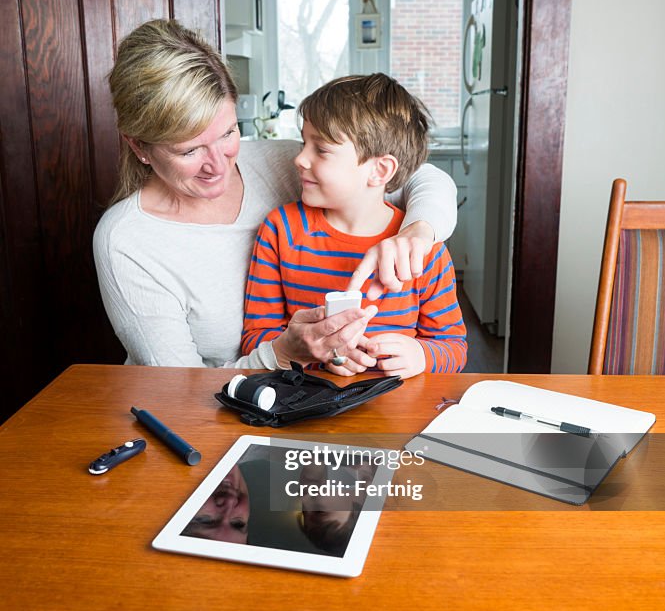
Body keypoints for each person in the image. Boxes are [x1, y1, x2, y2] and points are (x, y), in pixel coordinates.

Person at [93, 19, 458, 370]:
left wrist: (419, 233)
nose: (218, 164)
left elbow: (416, 173)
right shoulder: (127, 241)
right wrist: (287, 353)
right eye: (190, 150)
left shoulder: (283, 163)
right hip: (219, 408)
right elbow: (179, 388)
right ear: (140, 147)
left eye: (228, 133)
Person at [241, 74, 467, 378]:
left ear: (380, 170)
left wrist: (422, 355)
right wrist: (311, 355)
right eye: (303, 142)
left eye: (320, 149)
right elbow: (255, 339)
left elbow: (453, 346)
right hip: (304, 403)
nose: (299, 159)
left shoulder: (421, 250)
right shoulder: (280, 230)